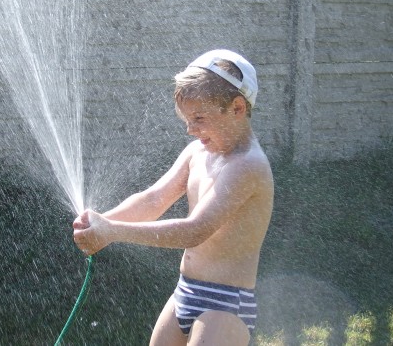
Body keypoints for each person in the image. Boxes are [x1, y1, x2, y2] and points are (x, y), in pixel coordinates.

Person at [73, 49, 274, 346]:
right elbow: (153, 199)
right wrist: (100, 222)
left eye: (199, 118)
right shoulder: (197, 153)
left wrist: (112, 232)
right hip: (186, 291)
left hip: (225, 304)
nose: (190, 129)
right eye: (186, 119)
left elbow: (195, 230)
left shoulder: (248, 165)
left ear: (237, 108)